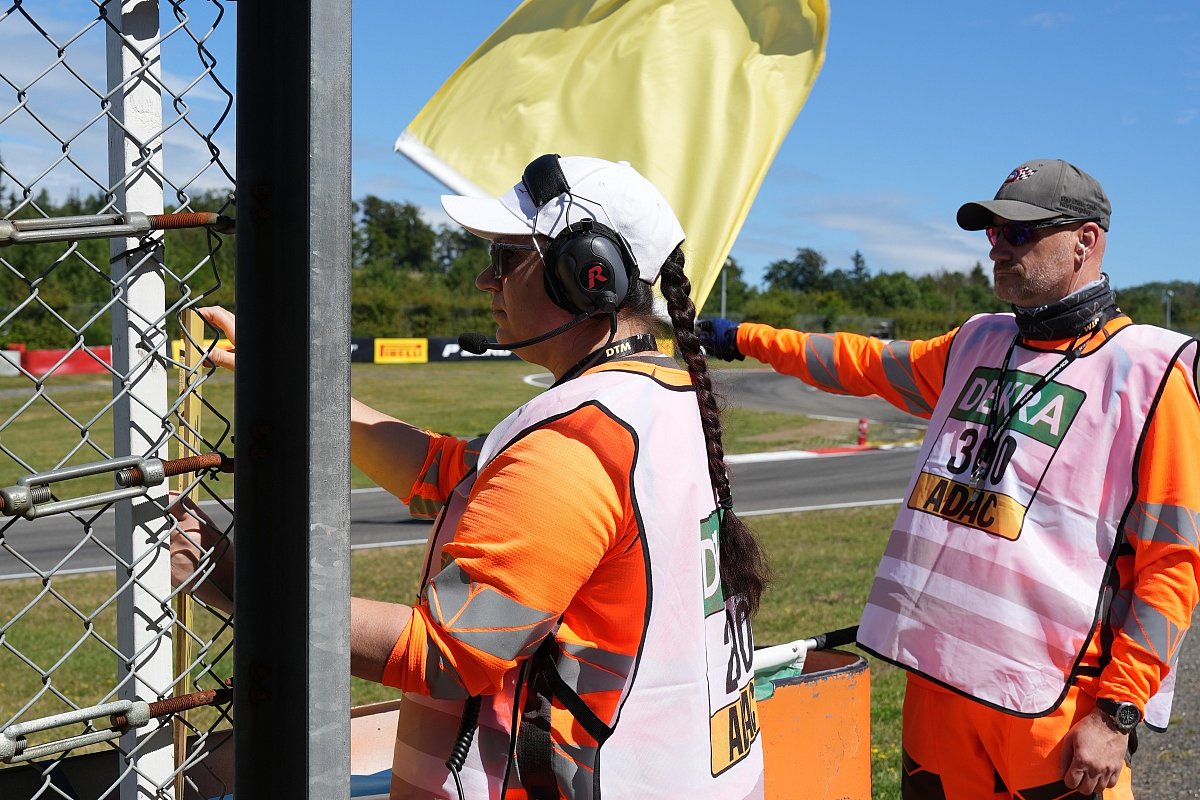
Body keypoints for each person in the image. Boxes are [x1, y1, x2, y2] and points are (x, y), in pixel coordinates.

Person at [170, 154, 769, 799]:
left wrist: (230, 576)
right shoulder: (656, 398)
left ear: (587, 275)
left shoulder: (575, 444)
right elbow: (450, 475)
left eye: (507, 258)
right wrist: (298, 386)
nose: (486, 279)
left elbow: (445, 654)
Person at [699, 158, 1200, 799]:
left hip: (1053, 707)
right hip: (938, 692)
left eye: (1020, 232)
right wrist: (744, 337)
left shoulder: (1150, 372)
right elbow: (862, 362)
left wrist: (1118, 711)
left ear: (1085, 240)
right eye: (993, 232)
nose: (998, 248)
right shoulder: (976, 342)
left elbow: (1172, 562)